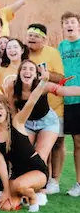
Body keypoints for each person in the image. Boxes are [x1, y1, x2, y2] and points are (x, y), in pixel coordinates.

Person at [0, 80, 51, 212]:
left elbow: (31, 102)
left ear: (6, 112)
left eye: (0, 108)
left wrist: (42, 82)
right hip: (17, 174)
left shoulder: (17, 122)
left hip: (37, 170)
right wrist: (5, 190)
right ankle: (23, 197)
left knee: (19, 185)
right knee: (5, 206)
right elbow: (1, 165)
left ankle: (33, 198)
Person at [8, 60, 80, 172]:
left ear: (37, 75)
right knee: (23, 154)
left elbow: (65, 90)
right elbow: (13, 112)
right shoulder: (12, 87)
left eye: (31, 69)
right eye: (24, 69)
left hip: (47, 122)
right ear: (19, 73)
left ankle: (41, 186)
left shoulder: (43, 85)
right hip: (26, 123)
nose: (27, 71)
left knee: (40, 157)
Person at [26, 23, 66, 194]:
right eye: (29, 35)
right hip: (30, 111)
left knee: (57, 143)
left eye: (35, 36)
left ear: (44, 39)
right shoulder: (23, 53)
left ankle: (54, 180)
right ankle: (37, 178)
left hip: (54, 107)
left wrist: (47, 75)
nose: (31, 39)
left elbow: (61, 78)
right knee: (34, 147)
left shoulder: (52, 53)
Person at [58, 11, 80, 196]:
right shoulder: (61, 47)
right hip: (66, 100)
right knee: (76, 142)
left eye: (72, 22)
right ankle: (78, 183)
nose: (69, 25)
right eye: (66, 23)